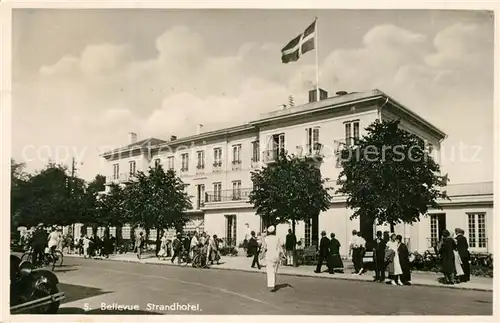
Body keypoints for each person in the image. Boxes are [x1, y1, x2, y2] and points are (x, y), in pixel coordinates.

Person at [264, 226, 282, 292]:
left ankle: (271, 284)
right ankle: (273, 283)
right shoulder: (277, 238)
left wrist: (262, 255)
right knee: (274, 270)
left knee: (269, 270)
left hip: (269, 255)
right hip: (275, 255)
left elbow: (264, 248)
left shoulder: (266, 238)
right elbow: (279, 248)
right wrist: (280, 255)